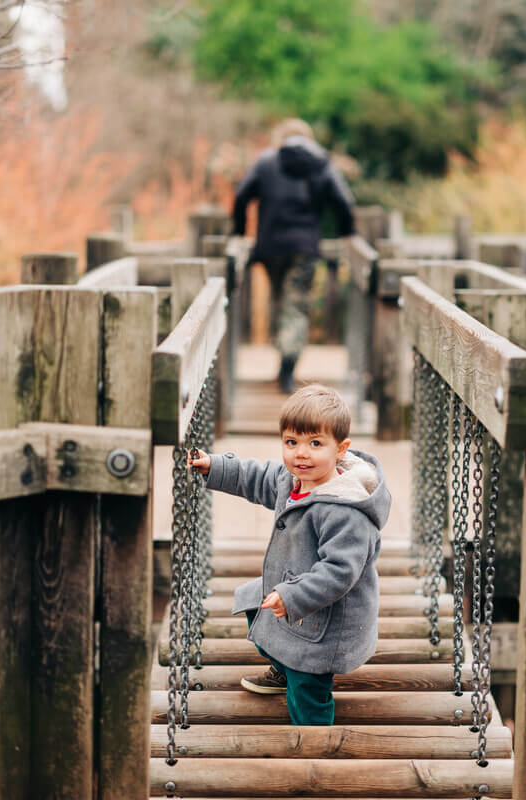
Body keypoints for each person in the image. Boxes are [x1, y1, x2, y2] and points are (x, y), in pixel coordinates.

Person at [187, 384, 390, 725]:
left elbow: (340, 571)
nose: (301, 454)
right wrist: (214, 467)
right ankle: (283, 670)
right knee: (256, 603)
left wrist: (293, 594)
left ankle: (314, 746)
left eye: (315, 444)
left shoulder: (345, 510)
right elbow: (258, 477)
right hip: (292, 590)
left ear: (341, 450)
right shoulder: (294, 478)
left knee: (309, 685)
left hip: (327, 619)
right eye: (291, 442)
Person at [231, 119, 356, 392]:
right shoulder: (321, 164)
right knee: (296, 304)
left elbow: (241, 196)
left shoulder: (266, 161)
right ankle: (287, 366)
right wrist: (348, 233)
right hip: (304, 248)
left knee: (279, 298)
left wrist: (240, 231)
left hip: (270, 246)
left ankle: (283, 357)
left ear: (281, 137)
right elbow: (344, 202)